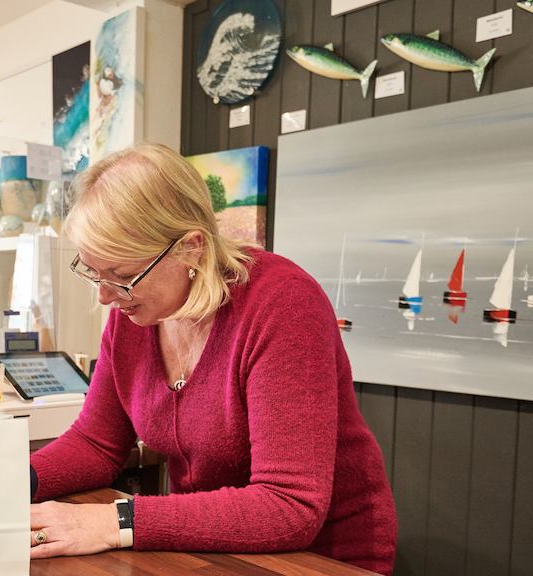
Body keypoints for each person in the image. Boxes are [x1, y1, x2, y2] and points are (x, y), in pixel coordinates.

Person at [28, 143, 397, 575]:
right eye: (93, 271)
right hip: (210, 552)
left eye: (124, 277)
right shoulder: (135, 313)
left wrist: (116, 521)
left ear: (191, 248)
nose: (105, 296)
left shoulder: (282, 304)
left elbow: (288, 504)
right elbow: (96, 443)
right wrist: (9, 482)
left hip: (320, 559)